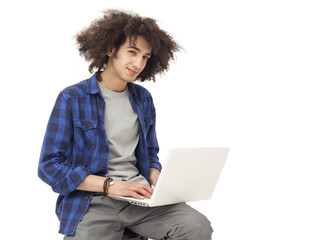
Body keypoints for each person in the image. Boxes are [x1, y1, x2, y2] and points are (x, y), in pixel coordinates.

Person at [38, 9, 213, 240]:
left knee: (196, 226)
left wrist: (156, 174)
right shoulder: (73, 98)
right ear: (111, 49)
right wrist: (109, 185)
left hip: (138, 196)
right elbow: (49, 166)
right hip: (92, 200)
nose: (138, 63)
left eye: (145, 57)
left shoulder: (143, 99)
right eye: (132, 52)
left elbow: (150, 152)